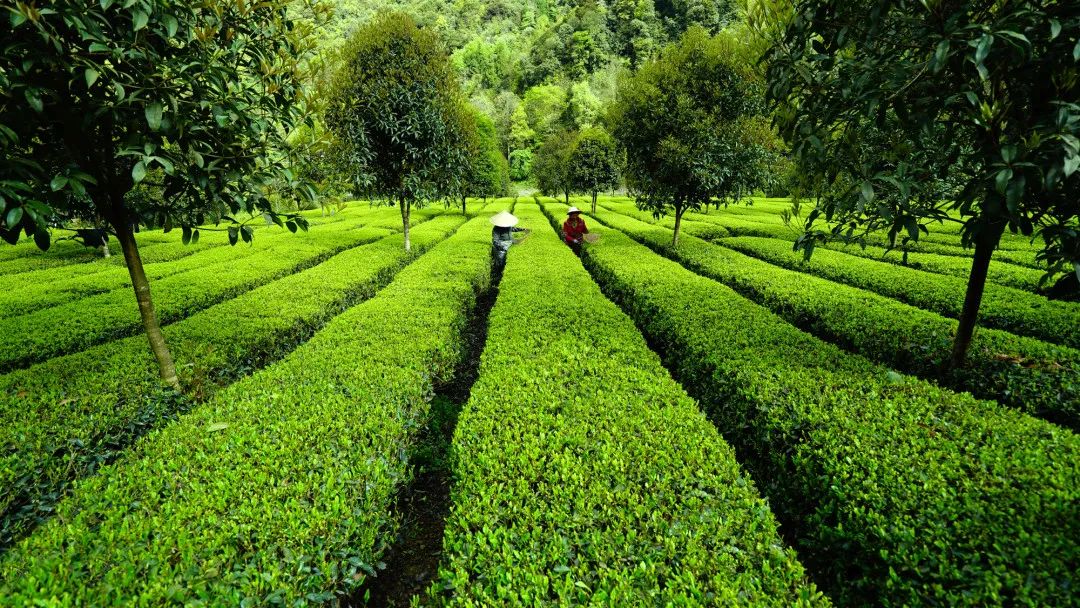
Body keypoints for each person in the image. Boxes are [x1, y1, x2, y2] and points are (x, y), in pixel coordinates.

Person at [490, 210, 528, 277]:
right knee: (500, 262)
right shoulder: (496, 229)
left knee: (506, 261)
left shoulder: (508, 226)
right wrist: (501, 247)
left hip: (510, 242)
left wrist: (523, 229)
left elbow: (514, 229)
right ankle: (498, 276)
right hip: (501, 246)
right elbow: (495, 241)